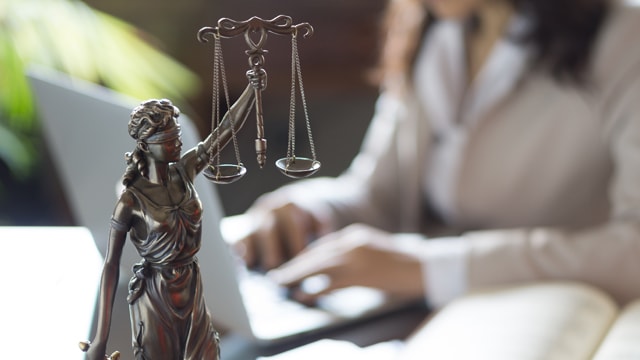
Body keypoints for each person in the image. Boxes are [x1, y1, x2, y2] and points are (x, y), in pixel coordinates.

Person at [238, 0, 640, 309]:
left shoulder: (625, 35)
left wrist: (430, 268)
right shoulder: (437, 28)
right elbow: (381, 194)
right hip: (419, 314)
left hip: (543, 313)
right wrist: (309, 208)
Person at [84, 83, 256, 360]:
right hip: (156, 296)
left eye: (177, 137)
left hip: (191, 287)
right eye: (168, 139)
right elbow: (111, 265)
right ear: (145, 146)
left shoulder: (184, 172)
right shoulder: (131, 201)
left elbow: (224, 130)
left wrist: (252, 89)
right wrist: (99, 341)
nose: (178, 143)